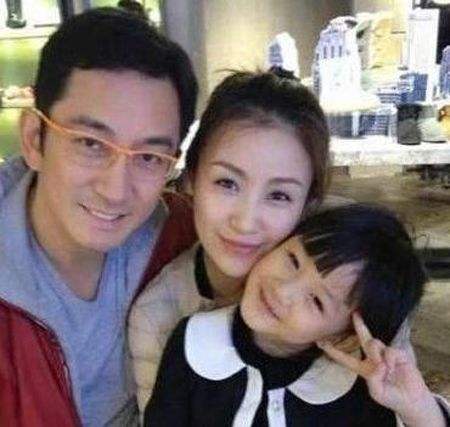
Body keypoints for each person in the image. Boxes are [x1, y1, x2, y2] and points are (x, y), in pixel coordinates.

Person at [0, 7, 197, 427]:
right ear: (34, 139)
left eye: (149, 157)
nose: (115, 190)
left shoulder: (187, 240)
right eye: (90, 144)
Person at [129, 69, 330, 412]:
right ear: (191, 179)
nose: (245, 222)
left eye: (279, 195)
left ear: (307, 204)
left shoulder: (346, 289)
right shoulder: (158, 316)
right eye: (227, 183)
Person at [144, 204, 450, 426]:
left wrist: (419, 407)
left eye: (317, 301)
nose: (283, 291)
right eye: (293, 260)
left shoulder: (358, 388)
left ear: (344, 337)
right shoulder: (194, 341)